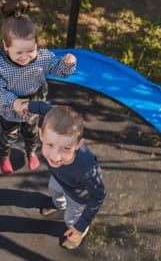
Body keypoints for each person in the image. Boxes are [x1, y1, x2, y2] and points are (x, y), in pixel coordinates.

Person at [0, 0, 77, 175]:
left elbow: (60, 71)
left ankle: (31, 152)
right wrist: (13, 102)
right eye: (18, 52)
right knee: (9, 134)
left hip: (35, 101)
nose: (25, 57)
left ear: (37, 43)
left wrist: (68, 64)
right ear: (6, 46)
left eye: (30, 50)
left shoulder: (43, 57)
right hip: (11, 103)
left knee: (32, 131)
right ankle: (3, 156)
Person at [15, 98, 106, 249]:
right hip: (59, 178)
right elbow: (48, 110)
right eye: (50, 145)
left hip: (79, 197)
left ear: (78, 145)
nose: (55, 157)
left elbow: (98, 196)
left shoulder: (86, 170)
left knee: (71, 219)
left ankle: (77, 235)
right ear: (41, 135)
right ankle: (59, 205)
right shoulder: (54, 122)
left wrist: (81, 226)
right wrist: (28, 105)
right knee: (54, 191)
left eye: (65, 149)